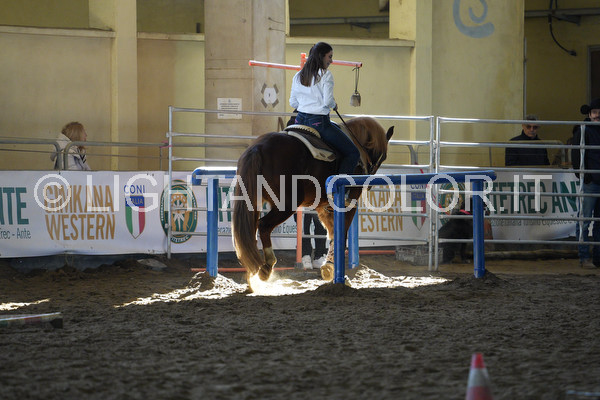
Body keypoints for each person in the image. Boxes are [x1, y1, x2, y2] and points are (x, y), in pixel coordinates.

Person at [289, 42, 360, 177]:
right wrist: (334, 105)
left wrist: (306, 105)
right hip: (319, 123)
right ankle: (339, 185)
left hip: (299, 121)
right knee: (353, 153)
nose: (331, 61)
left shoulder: (298, 76)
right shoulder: (326, 75)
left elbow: (293, 102)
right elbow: (328, 101)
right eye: (330, 57)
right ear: (321, 57)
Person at [571, 98, 600, 268]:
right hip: (591, 181)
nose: (597, 115)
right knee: (586, 220)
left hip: (592, 180)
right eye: (595, 112)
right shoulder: (583, 130)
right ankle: (585, 257)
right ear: (589, 114)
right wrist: (583, 175)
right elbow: (576, 155)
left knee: (590, 220)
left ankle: (595, 257)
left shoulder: (584, 129)